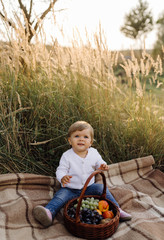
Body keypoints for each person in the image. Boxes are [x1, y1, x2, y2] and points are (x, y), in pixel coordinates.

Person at [33, 121, 132, 227]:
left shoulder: (94, 152)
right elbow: (60, 170)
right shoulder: (67, 156)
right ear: (70, 141)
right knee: (59, 197)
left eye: (85, 137)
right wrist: (62, 177)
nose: (81, 139)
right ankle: (48, 213)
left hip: (89, 187)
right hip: (70, 189)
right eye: (76, 136)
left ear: (90, 142)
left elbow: (99, 162)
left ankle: (118, 210)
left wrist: (102, 165)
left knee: (101, 188)